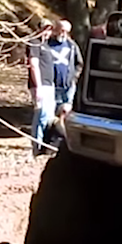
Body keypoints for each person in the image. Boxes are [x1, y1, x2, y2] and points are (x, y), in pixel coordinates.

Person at [27, 19, 55, 156]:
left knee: (49, 116)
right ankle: (36, 147)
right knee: (41, 115)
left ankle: (45, 145)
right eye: (45, 28)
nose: (47, 32)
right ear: (39, 29)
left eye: (49, 29)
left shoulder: (47, 45)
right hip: (40, 85)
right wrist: (38, 86)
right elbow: (34, 64)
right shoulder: (34, 43)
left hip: (50, 84)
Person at [48, 19, 84, 118]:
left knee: (65, 112)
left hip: (68, 86)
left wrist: (74, 78)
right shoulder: (47, 44)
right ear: (56, 29)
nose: (63, 33)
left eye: (66, 31)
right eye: (62, 30)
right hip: (52, 85)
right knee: (50, 112)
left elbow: (79, 63)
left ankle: (61, 131)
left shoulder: (72, 45)